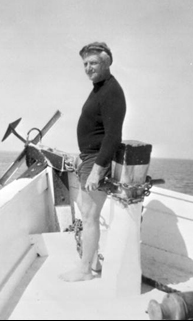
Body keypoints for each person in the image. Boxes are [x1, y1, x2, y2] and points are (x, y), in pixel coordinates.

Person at [60, 42, 126, 282]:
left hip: (96, 161)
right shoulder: (99, 88)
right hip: (88, 157)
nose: (88, 68)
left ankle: (85, 270)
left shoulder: (111, 91)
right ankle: (93, 261)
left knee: (88, 217)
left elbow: (112, 136)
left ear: (106, 62)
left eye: (93, 63)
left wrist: (97, 170)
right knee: (89, 214)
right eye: (85, 64)